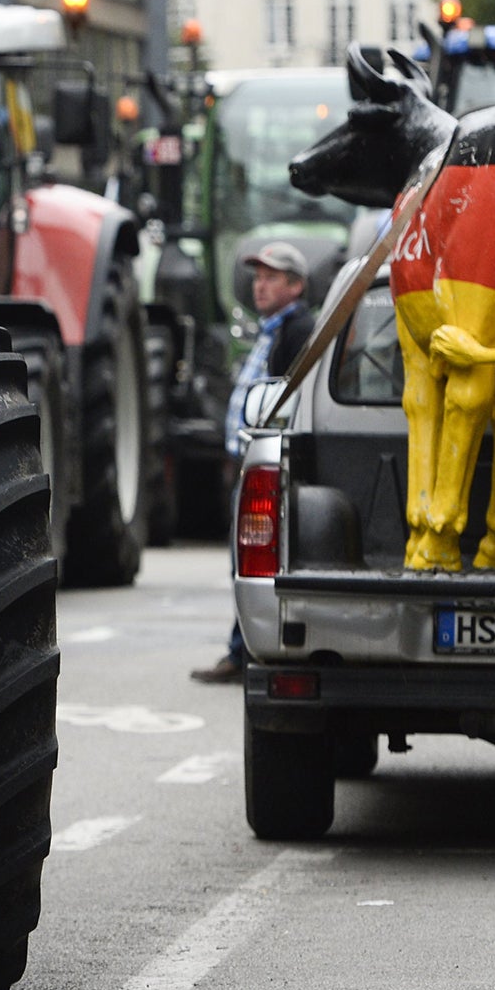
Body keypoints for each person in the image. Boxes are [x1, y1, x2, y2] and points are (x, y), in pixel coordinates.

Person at [192, 240, 315, 683]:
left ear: (296, 285)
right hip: (249, 461)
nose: (259, 286)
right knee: (245, 562)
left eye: (272, 278)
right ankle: (243, 650)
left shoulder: (299, 330)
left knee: (253, 562)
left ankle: (247, 653)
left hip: (267, 465)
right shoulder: (271, 329)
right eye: (257, 277)